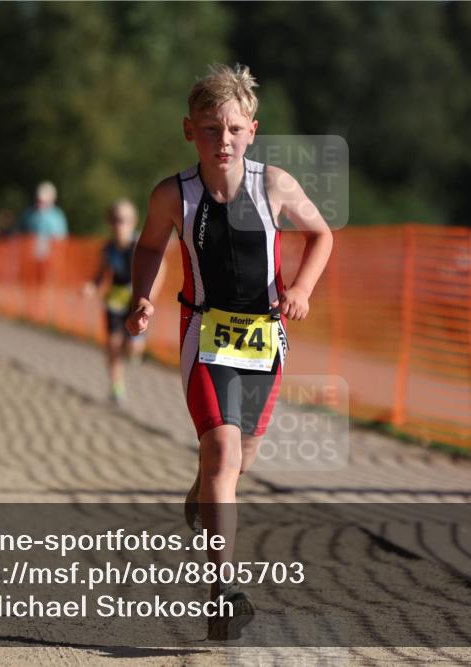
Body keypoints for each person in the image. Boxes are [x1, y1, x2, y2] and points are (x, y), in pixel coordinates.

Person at [126, 63, 333, 639]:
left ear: (252, 131)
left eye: (235, 129)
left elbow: (322, 235)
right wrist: (143, 297)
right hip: (205, 332)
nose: (224, 141)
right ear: (188, 130)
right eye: (212, 129)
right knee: (222, 452)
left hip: (265, 338)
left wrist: (301, 289)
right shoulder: (174, 194)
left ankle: (203, 485)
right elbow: (149, 247)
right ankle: (224, 591)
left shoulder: (275, 185)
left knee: (242, 458)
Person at [81, 199, 162, 406]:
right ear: (110, 222)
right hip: (115, 300)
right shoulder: (108, 248)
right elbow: (101, 274)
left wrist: (150, 294)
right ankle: (116, 388)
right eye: (115, 220)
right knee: (112, 345)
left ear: (133, 222)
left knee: (133, 347)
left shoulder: (139, 246)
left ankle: (136, 353)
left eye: (124, 220)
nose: (119, 225)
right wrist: (92, 286)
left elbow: (161, 268)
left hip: (136, 300)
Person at [21, 181, 68, 285]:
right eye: (38, 200)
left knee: (48, 283)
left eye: (43, 201)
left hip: (50, 260)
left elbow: (60, 239)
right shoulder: (28, 214)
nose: (40, 203)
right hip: (30, 259)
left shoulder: (57, 216)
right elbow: (20, 233)